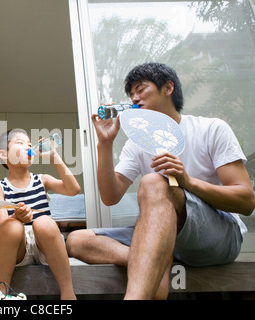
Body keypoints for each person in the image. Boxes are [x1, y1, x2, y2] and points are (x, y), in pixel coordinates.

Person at [66, 62, 255, 300]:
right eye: (131, 94)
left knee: (153, 182)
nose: (134, 98)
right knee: (78, 240)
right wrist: (104, 144)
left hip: (220, 235)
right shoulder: (135, 144)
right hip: (166, 236)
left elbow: (246, 201)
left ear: (168, 88)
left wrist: (188, 182)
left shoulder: (211, 129)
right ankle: (156, 257)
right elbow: (110, 196)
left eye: (140, 89)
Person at [0, 129, 80, 300]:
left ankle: (68, 293)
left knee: (43, 222)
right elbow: (3, 223)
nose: (29, 147)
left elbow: (73, 190)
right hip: (19, 247)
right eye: (20, 143)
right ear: (4, 154)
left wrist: (54, 157)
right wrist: (17, 218)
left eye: (29, 144)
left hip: (45, 243)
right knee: (12, 226)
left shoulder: (42, 180)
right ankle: (0, 294)